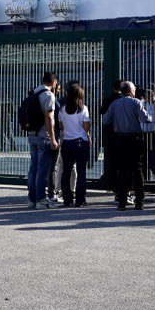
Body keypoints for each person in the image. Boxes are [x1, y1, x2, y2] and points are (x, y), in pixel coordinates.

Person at [103, 81, 151, 210]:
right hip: (134, 138)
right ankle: (139, 201)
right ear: (131, 91)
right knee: (137, 169)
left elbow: (105, 120)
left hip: (120, 139)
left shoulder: (114, 104)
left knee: (122, 170)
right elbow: (145, 118)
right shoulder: (136, 102)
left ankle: (122, 201)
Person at [26, 72, 60, 210]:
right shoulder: (48, 95)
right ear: (53, 82)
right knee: (42, 170)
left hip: (32, 135)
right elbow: (49, 117)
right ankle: (40, 200)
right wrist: (53, 138)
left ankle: (32, 199)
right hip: (44, 136)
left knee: (33, 168)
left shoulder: (34, 92)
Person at [57, 82, 92, 207]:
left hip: (67, 142)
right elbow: (86, 126)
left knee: (66, 171)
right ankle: (80, 200)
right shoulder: (83, 108)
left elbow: (61, 126)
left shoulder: (62, 109)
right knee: (81, 172)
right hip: (80, 141)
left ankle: (67, 199)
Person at [99, 79, 123, 194]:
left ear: (113, 89)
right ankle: (125, 187)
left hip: (111, 133)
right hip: (125, 133)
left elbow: (102, 114)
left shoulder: (107, 101)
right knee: (124, 161)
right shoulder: (127, 100)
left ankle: (114, 186)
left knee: (112, 161)